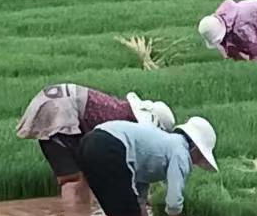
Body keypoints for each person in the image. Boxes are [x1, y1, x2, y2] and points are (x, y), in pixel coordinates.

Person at [75, 115, 217, 216]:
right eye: (200, 157)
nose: (197, 163)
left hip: (88, 143)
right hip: (111, 145)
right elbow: (174, 198)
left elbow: (139, 201)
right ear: (195, 149)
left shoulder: (157, 148)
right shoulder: (181, 152)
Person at [16, 84, 174, 199]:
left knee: (84, 174)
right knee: (72, 179)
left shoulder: (120, 109)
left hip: (51, 102)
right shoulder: (126, 124)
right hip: (60, 112)